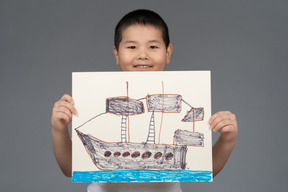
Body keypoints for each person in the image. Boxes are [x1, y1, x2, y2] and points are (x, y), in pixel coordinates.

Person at [51, 9, 238, 192]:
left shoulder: (183, 97)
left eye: (153, 47)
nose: (142, 55)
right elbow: (69, 169)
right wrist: (59, 129)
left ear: (168, 52)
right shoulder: (93, 97)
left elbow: (206, 167)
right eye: (132, 47)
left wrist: (227, 140)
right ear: (117, 53)